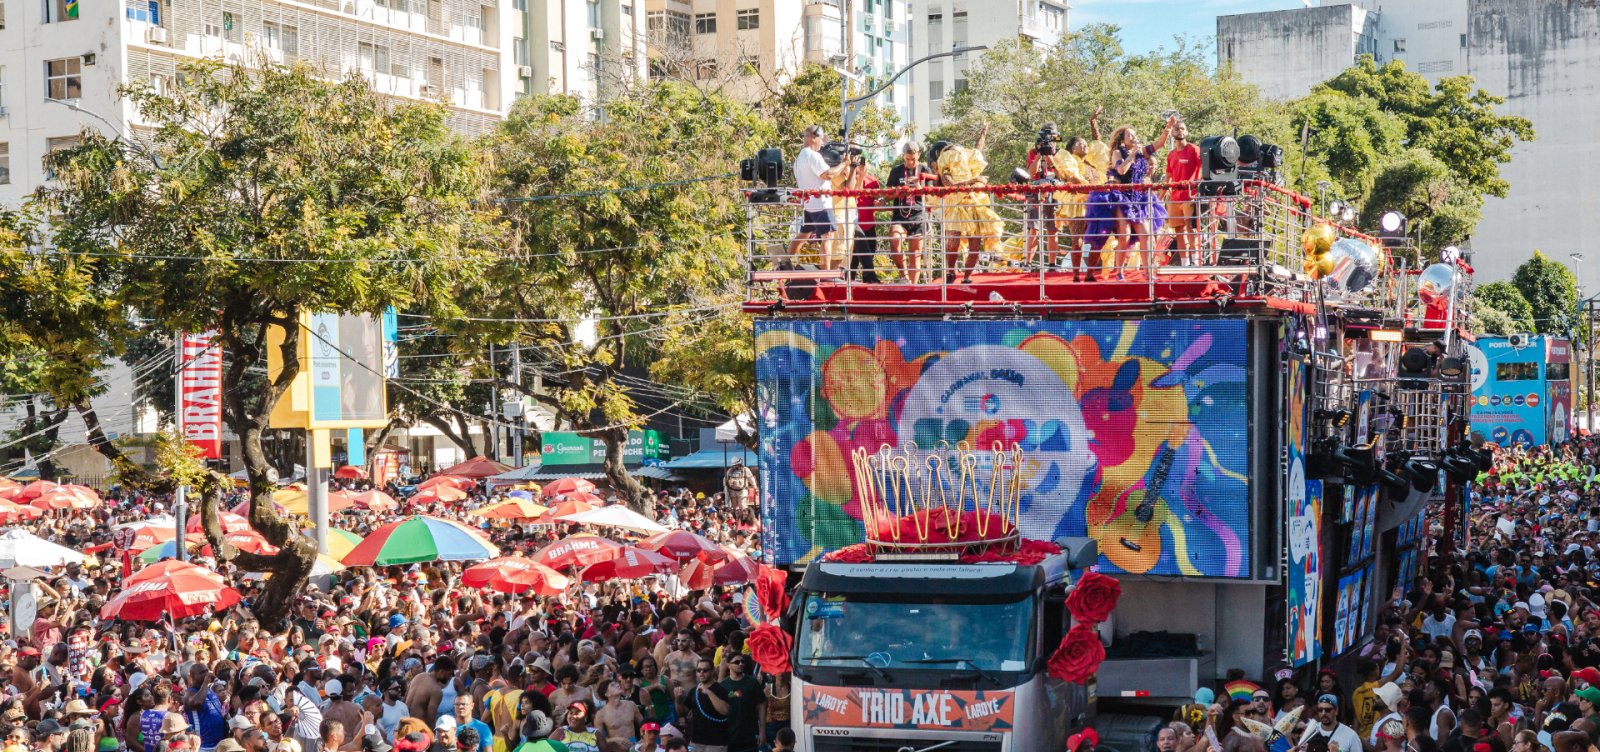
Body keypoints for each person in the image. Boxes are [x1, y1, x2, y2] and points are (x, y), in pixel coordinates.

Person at [933, 121, 1001, 284]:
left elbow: (978, 151)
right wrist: (973, 180)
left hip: (973, 202)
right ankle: (951, 273)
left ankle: (967, 277)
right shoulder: (946, 160)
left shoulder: (963, 155)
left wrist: (984, 131)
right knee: (954, 240)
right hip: (956, 204)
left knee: (975, 243)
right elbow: (950, 184)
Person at [786, 125, 846, 270]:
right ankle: (825, 272)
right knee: (828, 236)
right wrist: (844, 164)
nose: (822, 142)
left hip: (809, 204)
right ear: (813, 137)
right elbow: (828, 174)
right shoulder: (813, 155)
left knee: (804, 234)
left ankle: (785, 262)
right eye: (821, 138)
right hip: (821, 204)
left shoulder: (799, 158)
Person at [885, 142, 938, 285]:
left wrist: (920, 188)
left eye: (913, 159)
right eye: (907, 159)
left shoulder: (925, 170)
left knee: (915, 254)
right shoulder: (896, 171)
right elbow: (886, 195)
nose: (910, 162)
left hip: (919, 216)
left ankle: (913, 287)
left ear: (918, 155)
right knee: (895, 240)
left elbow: (932, 198)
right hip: (900, 216)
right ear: (903, 156)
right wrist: (897, 192)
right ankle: (904, 277)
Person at [1163, 117, 1202, 266]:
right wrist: (1158, 198)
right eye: (1176, 128)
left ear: (1187, 131)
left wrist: (1198, 189)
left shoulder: (1194, 149)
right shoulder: (1171, 154)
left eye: (1182, 128)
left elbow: (1203, 170)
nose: (1179, 131)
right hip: (1174, 197)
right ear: (1172, 132)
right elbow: (1168, 178)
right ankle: (1184, 263)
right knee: (1179, 231)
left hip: (1190, 196)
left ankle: (1196, 261)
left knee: (1191, 228)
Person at [683, 661, 730, 752]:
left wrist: (709, 692)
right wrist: (678, 699)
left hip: (716, 743)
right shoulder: (694, 691)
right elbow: (682, 712)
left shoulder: (721, 689)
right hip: (695, 741)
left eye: (705, 670)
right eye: (699, 670)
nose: (701, 673)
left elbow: (725, 711)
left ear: (712, 671)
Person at [718, 657, 761, 752]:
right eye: (737, 662)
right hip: (730, 735)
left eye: (742, 661)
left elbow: (761, 706)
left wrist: (762, 732)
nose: (741, 664)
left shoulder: (752, 682)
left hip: (749, 734)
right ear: (729, 665)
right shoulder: (723, 685)